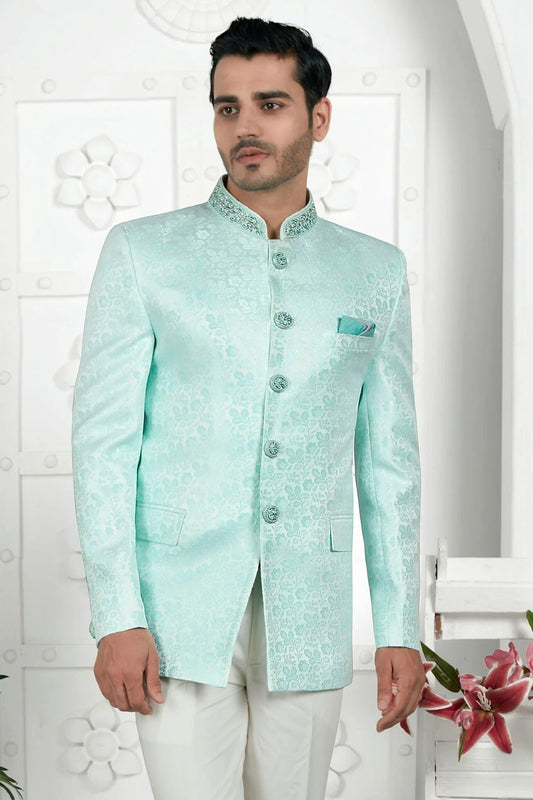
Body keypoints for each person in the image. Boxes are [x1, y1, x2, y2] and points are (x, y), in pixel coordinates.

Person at [71, 16, 425, 800]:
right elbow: (103, 448)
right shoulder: (143, 253)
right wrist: (116, 614)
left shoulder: (374, 272)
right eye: (227, 107)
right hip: (175, 611)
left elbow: (389, 466)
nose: (244, 127)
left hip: (310, 612)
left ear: (318, 117)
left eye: (270, 104)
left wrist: (400, 630)